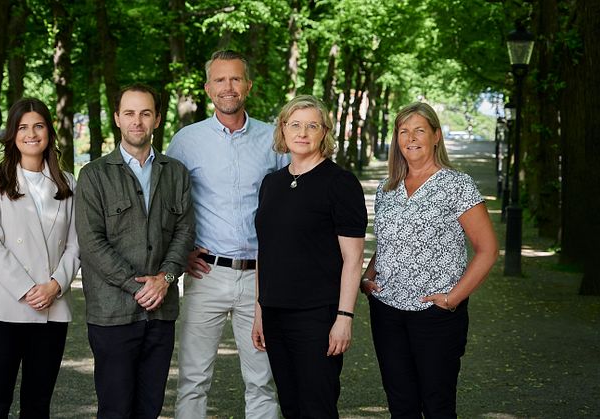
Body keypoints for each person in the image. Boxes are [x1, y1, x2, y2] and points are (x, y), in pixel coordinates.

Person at [166, 50, 287, 419]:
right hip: (208, 275)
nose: (228, 87)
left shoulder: (274, 139)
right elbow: (168, 204)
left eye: (235, 79)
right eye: (220, 80)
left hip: (260, 279)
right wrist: (180, 252)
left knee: (262, 381)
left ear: (248, 86)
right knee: (193, 378)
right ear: (207, 89)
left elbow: (290, 202)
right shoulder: (187, 141)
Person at [361, 102, 498, 418]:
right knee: (400, 403)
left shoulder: (456, 185)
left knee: (437, 405)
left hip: (435, 313)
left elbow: (488, 250)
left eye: (419, 130)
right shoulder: (387, 188)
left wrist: (452, 299)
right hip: (387, 311)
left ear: (436, 135)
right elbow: (388, 244)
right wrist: (367, 279)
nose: (410, 138)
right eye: (403, 131)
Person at [75, 83, 195, 418]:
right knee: (115, 408)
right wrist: (138, 285)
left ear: (157, 119)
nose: (137, 121)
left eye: (145, 113)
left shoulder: (176, 173)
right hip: (112, 313)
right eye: (129, 113)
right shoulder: (94, 176)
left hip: (160, 313)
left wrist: (165, 277)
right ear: (117, 118)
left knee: (149, 407)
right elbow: (91, 243)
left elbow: (185, 232)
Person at [252, 95, 367, 418]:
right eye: (295, 125)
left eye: (312, 125)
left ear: (324, 133)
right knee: (290, 405)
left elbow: (353, 259)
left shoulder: (340, 184)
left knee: (317, 406)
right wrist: (259, 309)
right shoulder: (271, 184)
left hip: (318, 316)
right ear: (283, 130)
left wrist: (344, 318)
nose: (302, 132)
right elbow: (266, 250)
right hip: (274, 313)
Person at [0, 97, 80, 417]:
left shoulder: (68, 183)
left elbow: (75, 246)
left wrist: (54, 286)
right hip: (2, 308)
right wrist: (28, 289)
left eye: (38, 125)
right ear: (12, 134)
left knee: (38, 406)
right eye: (22, 127)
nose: (31, 133)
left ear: (48, 131)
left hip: (52, 309)